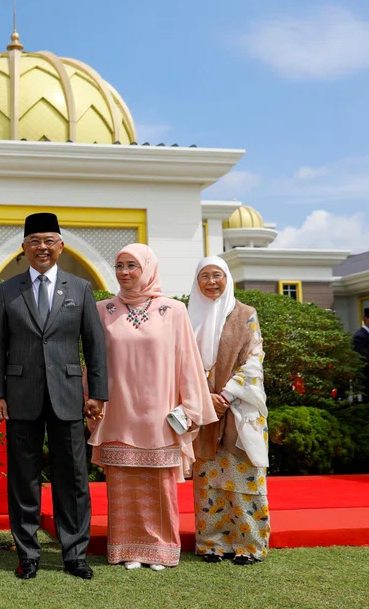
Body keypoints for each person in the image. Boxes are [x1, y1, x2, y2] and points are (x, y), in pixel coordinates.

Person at [0, 212, 107, 581]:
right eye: (35, 241)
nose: (42, 247)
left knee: (72, 477)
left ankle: (75, 554)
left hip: (67, 395)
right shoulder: (8, 289)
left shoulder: (80, 288)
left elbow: (95, 345)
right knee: (23, 478)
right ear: (24, 248)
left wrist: (97, 393)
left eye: (49, 241)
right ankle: (28, 554)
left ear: (61, 246)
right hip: (20, 395)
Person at [87, 244, 216, 571]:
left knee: (160, 487)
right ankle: (126, 549)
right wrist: (89, 400)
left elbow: (187, 361)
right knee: (122, 485)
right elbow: (94, 362)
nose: (124, 272)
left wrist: (191, 407)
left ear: (148, 268)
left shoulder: (173, 310)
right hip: (118, 414)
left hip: (160, 416)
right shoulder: (103, 310)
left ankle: (160, 549)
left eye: (132, 265)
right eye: (119, 265)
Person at [188, 256, 270, 565]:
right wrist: (203, 397)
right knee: (208, 480)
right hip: (203, 409)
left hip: (238, 408)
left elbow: (254, 359)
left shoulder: (246, 314)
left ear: (227, 278)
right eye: (204, 276)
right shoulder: (187, 317)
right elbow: (181, 363)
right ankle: (212, 544)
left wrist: (224, 394)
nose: (211, 282)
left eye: (217, 275)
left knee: (243, 477)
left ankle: (249, 545)